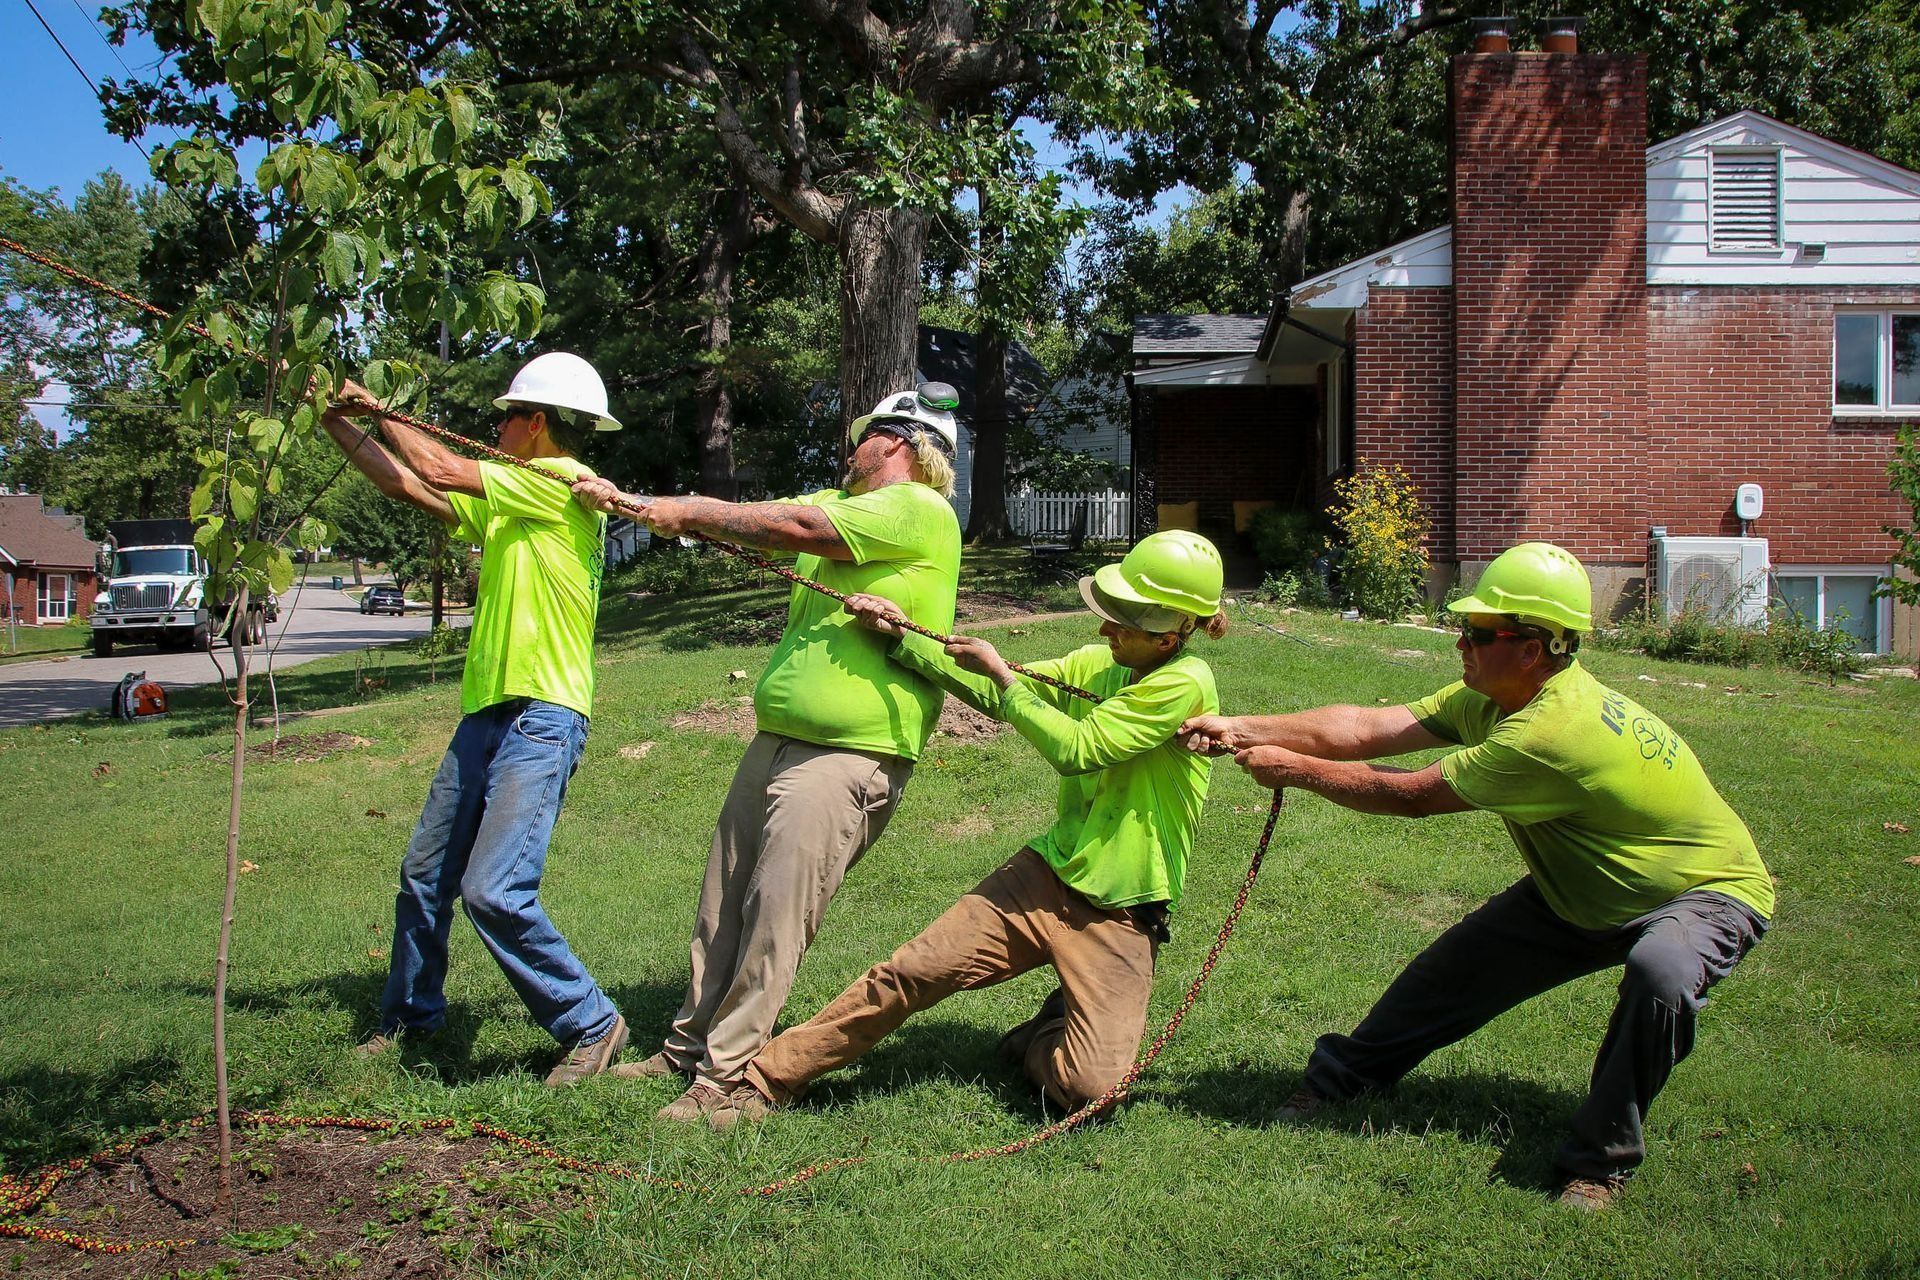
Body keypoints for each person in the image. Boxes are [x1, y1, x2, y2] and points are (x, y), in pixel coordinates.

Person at [1180, 542, 1773, 1210]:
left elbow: (1413, 796)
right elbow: (1370, 726)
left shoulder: (1552, 733)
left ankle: (1600, 1162)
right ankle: (1339, 1081)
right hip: (1582, 889)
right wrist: (1238, 726)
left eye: (1479, 632)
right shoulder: (1494, 696)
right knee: (1449, 976)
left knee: (1660, 973)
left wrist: (1293, 769)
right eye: (1464, 627)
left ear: (1533, 648)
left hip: (1700, 894)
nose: (1459, 641)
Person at [711, 531, 1229, 1132]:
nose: (1103, 631)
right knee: (910, 974)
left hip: (1119, 911)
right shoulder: (1103, 664)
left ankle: (1049, 1028)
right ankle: (766, 1080)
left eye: (1121, 624)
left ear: (1170, 634)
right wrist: (903, 637)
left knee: (1087, 1091)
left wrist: (1008, 685)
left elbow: (1082, 748)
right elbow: (998, 685)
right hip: (1045, 875)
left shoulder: (1184, 682)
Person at [571, 385, 963, 1123]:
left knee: (776, 914)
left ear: (899, 443)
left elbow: (790, 522)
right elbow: (761, 521)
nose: (852, 451)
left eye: (863, 438)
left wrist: (686, 508)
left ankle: (726, 1077)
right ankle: (687, 1048)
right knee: (722, 905)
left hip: (847, 756)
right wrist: (627, 502)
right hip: (778, 743)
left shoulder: (917, 509)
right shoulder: (847, 509)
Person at [320, 352, 630, 1086]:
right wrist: (333, 420)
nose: (495, 427)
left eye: (504, 417)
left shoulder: (557, 485)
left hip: (543, 716)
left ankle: (591, 1021)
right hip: (486, 713)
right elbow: (407, 483)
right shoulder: (515, 499)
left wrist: (374, 404)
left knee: (494, 888)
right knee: (424, 876)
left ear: (535, 425)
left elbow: (443, 468)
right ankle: (410, 1017)